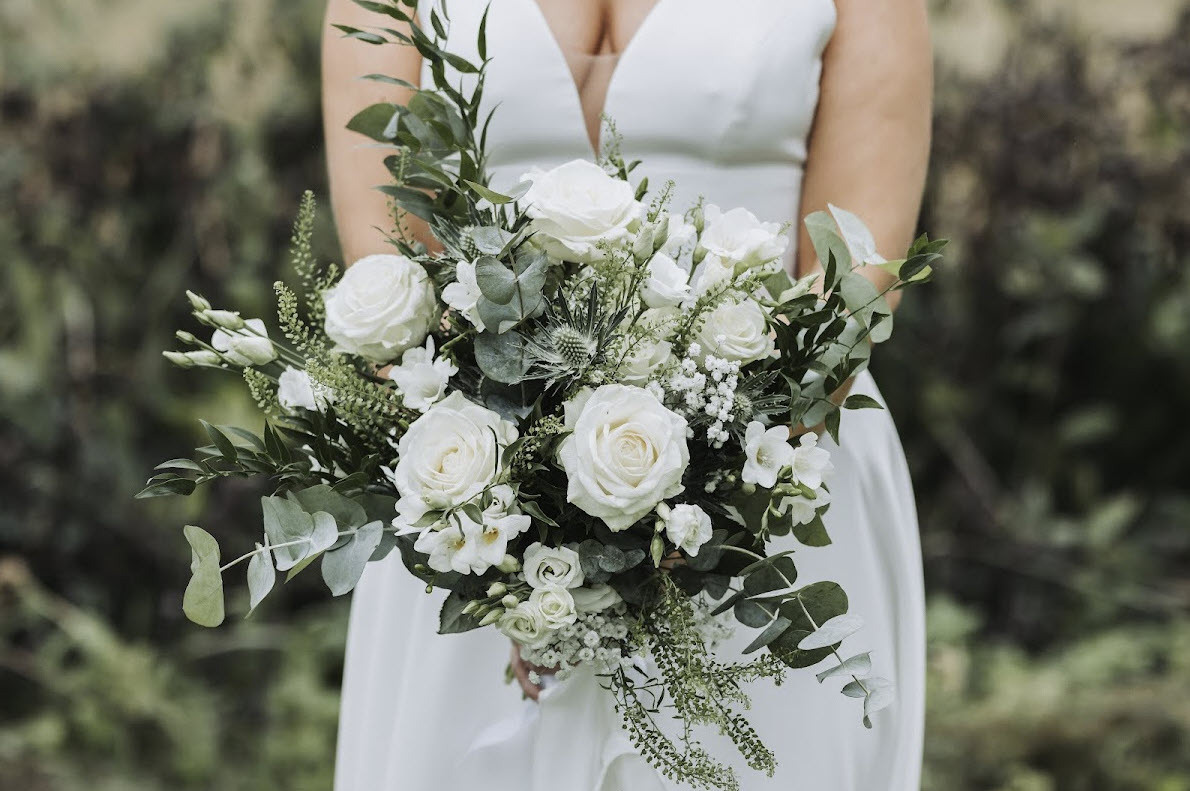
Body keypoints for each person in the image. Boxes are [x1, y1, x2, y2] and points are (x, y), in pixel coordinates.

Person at [323, 1, 931, 788]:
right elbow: (385, 259)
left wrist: (689, 506)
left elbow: (856, 277)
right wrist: (516, 541)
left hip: (767, 502)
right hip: (469, 508)